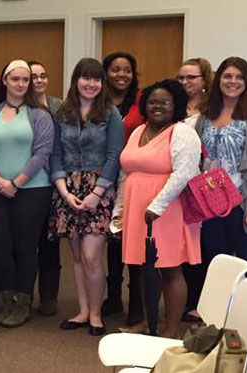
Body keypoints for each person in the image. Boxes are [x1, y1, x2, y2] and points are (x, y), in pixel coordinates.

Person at [113, 79, 202, 337]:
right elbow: (125, 173)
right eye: (152, 102)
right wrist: (119, 211)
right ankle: (147, 322)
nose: (158, 107)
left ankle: (171, 329)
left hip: (167, 209)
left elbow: (184, 172)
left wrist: (158, 205)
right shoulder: (139, 131)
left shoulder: (182, 132)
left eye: (165, 102)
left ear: (177, 105)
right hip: (136, 209)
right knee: (144, 266)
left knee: (170, 268)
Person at [0, 60, 54, 328]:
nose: (20, 84)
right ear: (5, 81)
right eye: (15, 79)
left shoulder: (40, 115)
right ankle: (7, 301)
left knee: (24, 247)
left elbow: (43, 153)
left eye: (25, 79)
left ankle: (22, 304)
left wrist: (16, 183)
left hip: (33, 190)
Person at [50, 58, 124, 336]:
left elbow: (114, 156)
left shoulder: (110, 113)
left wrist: (96, 192)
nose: (91, 84)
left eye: (96, 79)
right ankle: (82, 311)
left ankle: (96, 313)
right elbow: (55, 154)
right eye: (86, 78)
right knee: (78, 257)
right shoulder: (63, 113)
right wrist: (64, 191)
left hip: (99, 189)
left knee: (93, 256)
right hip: (68, 189)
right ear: (76, 80)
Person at [193, 57, 247, 308]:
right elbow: (196, 157)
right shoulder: (205, 117)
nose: (233, 81)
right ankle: (221, 321)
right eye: (227, 76)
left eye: (239, 77)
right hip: (211, 206)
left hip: (243, 205)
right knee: (219, 265)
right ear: (218, 80)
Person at [100, 52, 142, 324]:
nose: (121, 75)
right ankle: (112, 297)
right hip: (104, 176)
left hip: (134, 177)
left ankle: (135, 301)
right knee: (112, 239)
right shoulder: (98, 100)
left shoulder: (142, 100)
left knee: (134, 236)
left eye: (127, 70)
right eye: (115, 69)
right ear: (106, 73)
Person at [176, 57, 213, 322]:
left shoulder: (213, 110)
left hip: (202, 187)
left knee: (205, 248)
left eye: (192, 77)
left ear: (204, 80)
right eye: (182, 78)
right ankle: (186, 300)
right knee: (183, 247)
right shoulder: (175, 106)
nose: (186, 82)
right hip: (178, 187)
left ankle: (201, 303)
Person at [28, 59, 64, 316]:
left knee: (50, 240)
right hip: (29, 181)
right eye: (33, 76)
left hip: (56, 179)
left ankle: (50, 297)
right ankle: (24, 295)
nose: (38, 80)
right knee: (28, 241)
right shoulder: (18, 106)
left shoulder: (59, 106)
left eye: (43, 75)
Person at [178, 58, 214, 126]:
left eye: (191, 77)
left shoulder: (214, 106)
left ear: (205, 79)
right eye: (181, 78)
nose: (184, 82)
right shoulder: (172, 105)